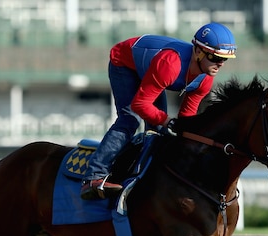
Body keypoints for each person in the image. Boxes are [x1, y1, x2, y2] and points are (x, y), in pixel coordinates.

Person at [80, 22, 237, 200]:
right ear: (198, 52)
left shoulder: (205, 80)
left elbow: (186, 118)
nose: (220, 64)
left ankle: (146, 179)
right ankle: (93, 176)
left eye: (224, 59)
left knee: (158, 132)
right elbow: (140, 104)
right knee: (129, 120)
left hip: (151, 69)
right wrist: (167, 121)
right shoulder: (170, 65)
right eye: (215, 57)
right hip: (124, 64)